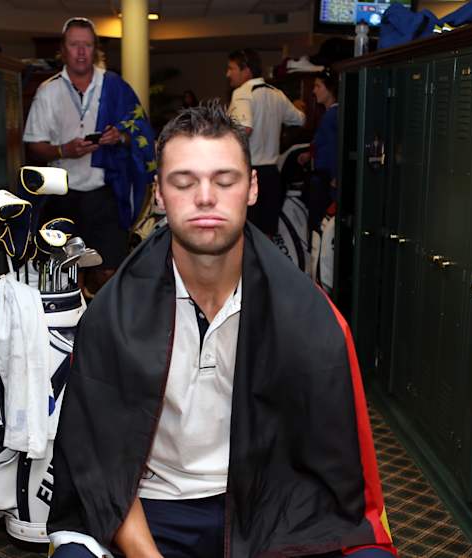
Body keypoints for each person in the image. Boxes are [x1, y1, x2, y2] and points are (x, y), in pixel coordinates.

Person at [46, 102, 397, 558]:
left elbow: (333, 470)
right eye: (183, 182)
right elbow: (99, 463)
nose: (205, 197)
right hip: (153, 507)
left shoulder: (309, 317)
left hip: (271, 502)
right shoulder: (112, 317)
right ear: (158, 194)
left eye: (225, 180)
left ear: (252, 188)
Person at [24, 17, 156, 295]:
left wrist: (119, 136)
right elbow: (34, 144)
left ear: (95, 49)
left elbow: (139, 130)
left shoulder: (115, 86)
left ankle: (100, 316)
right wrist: (63, 150)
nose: (81, 51)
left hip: (105, 193)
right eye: (75, 45)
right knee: (66, 275)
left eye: (87, 45)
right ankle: (75, 316)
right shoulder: (48, 91)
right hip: (62, 195)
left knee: (109, 272)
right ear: (63, 49)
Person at [226, 48, 305, 237]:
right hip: (272, 176)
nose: (227, 74)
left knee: (244, 237)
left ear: (246, 70)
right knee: (266, 237)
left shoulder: (242, 92)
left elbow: (245, 128)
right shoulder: (276, 93)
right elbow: (300, 119)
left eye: (231, 68)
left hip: (249, 175)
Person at [298, 70, 340, 234]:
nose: (314, 91)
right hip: (324, 177)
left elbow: (336, 147)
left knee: (318, 226)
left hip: (326, 179)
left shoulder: (332, 115)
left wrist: (336, 176)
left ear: (330, 89)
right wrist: (309, 154)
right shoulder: (330, 114)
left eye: (318, 86)